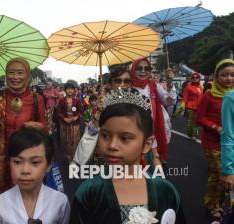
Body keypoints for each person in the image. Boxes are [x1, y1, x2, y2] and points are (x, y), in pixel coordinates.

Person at [70, 89, 184, 224]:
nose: (112, 145)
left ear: (147, 145)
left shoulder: (165, 191)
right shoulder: (89, 193)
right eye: (105, 135)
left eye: (124, 138)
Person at [0, 57, 47, 195]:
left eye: (20, 73)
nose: (15, 77)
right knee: (0, 201)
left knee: (24, 197)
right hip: (0, 160)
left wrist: (38, 126)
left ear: (28, 76)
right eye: (11, 72)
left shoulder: (37, 99)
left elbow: (45, 128)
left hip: (26, 158)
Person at [0, 127, 70, 223]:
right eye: (17, 162)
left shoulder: (60, 202)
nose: (25, 170)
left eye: (35, 162)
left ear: (48, 165)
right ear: (9, 163)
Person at [196, 59, 234, 223]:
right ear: (216, 76)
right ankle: (212, 205)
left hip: (230, 143)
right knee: (219, 174)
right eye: (224, 75)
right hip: (212, 143)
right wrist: (215, 127)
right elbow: (199, 118)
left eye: (232, 75)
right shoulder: (209, 95)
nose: (228, 78)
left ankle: (223, 203)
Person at [73, 67, 133, 165]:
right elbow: (92, 131)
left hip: (129, 153)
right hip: (106, 152)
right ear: (111, 84)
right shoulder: (102, 103)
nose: (122, 84)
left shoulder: (138, 104)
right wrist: (100, 111)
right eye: (118, 81)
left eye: (127, 81)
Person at [131, 59, 176, 163]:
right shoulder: (127, 86)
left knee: (151, 164)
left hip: (152, 133)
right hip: (132, 132)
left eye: (146, 68)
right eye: (139, 68)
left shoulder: (153, 86)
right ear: (133, 70)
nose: (143, 71)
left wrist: (169, 84)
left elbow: (169, 101)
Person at [58, 81, 82, 161]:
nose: (70, 91)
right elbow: (59, 112)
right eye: (68, 89)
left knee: (74, 140)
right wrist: (64, 118)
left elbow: (80, 111)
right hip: (65, 124)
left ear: (74, 90)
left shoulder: (77, 100)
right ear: (65, 90)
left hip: (75, 124)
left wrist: (77, 117)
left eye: (71, 89)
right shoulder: (61, 100)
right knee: (65, 140)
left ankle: (74, 156)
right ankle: (68, 156)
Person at [180, 72, 203, 140]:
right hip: (190, 107)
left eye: (197, 77)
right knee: (190, 122)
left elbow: (203, 96)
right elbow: (185, 97)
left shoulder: (201, 87)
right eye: (193, 77)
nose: (195, 79)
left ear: (199, 78)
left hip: (199, 107)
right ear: (191, 79)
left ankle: (194, 134)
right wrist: (182, 106)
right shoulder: (188, 87)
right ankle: (192, 134)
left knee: (196, 122)